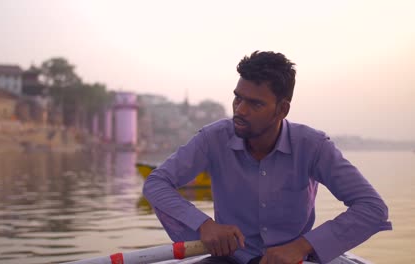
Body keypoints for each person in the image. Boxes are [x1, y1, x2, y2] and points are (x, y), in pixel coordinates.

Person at [142, 51, 392, 264]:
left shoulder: (312, 146)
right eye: (238, 98)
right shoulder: (214, 138)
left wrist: (302, 246)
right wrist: (204, 225)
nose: (240, 110)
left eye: (255, 104)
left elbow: (372, 208)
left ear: (282, 109)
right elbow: (156, 183)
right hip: (231, 259)